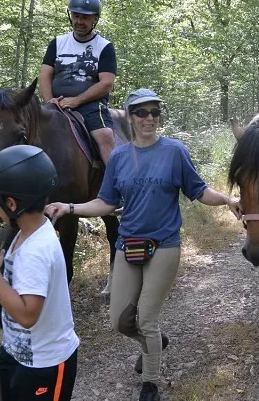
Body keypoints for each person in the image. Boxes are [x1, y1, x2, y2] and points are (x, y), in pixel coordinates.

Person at [44, 89, 241, 401]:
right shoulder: (120, 157)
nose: (149, 118)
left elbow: (199, 191)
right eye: (141, 112)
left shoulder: (175, 151)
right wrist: (68, 207)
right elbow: (106, 203)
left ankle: (150, 384)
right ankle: (155, 341)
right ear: (130, 117)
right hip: (128, 245)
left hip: (164, 244)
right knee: (120, 320)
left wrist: (228, 199)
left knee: (146, 317)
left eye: (154, 112)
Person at [0, 145, 79, 401]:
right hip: (17, 354)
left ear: (11, 204)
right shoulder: (27, 231)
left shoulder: (35, 250)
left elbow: (27, 315)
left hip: (44, 366)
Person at [40, 0, 117, 164]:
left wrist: (76, 101)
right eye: (76, 16)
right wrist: (49, 100)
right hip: (55, 103)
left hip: (90, 106)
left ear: (95, 19)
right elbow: (45, 74)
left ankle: (116, 186)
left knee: (105, 136)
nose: (79, 21)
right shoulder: (57, 43)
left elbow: (106, 83)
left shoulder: (104, 47)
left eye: (85, 17)